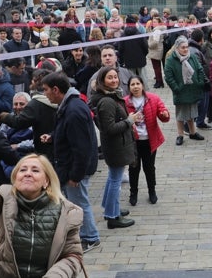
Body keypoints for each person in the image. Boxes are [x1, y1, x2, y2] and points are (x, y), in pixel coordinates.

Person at [0, 117, 84, 277]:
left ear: (46, 181)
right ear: (15, 178)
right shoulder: (0, 203)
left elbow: (73, 256)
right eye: (22, 170)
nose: (28, 173)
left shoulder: (67, 213)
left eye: (35, 170)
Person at [41, 72, 101, 252]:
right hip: (69, 166)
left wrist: (75, 175)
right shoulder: (69, 105)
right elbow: (68, 134)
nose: (45, 94)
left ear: (56, 90)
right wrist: (53, 137)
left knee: (79, 204)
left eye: (45, 90)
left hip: (75, 169)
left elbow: (80, 148)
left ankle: (90, 237)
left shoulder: (73, 110)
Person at [89, 67, 137, 229]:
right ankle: (112, 216)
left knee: (113, 177)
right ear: (102, 81)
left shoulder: (109, 96)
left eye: (115, 77)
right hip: (116, 146)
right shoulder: (107, 101)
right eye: (110, 78)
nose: (114, 80)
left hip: (117, 145)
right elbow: (110, 129)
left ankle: (110, 208)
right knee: (116, 180)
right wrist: (129, 121)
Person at [125, 75, 170, 205]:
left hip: (150, 140)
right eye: (132, 85)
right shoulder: (125, 101)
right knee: (134, 168)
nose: (135, 87)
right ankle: (133, 193)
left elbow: (163, 113)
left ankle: (152, 191)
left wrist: (164, 114)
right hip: (133, 142)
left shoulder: (153, 98)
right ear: (129, 87)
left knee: (149, 167)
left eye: (137, 84)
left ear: (142, 85)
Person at [164, 36, 207, 146]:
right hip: (181, 91)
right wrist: (176, 87)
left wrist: (200, 82)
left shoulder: (192, 57)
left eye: (187, 47)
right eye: (183, 47)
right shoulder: (171, 60)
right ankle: (180, 134)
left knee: (192, 112)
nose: (185, 49)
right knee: (181, 114)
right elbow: (168, 76)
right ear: (177, 48)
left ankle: (193, 132)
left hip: (193, 89)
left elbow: (200, 69)